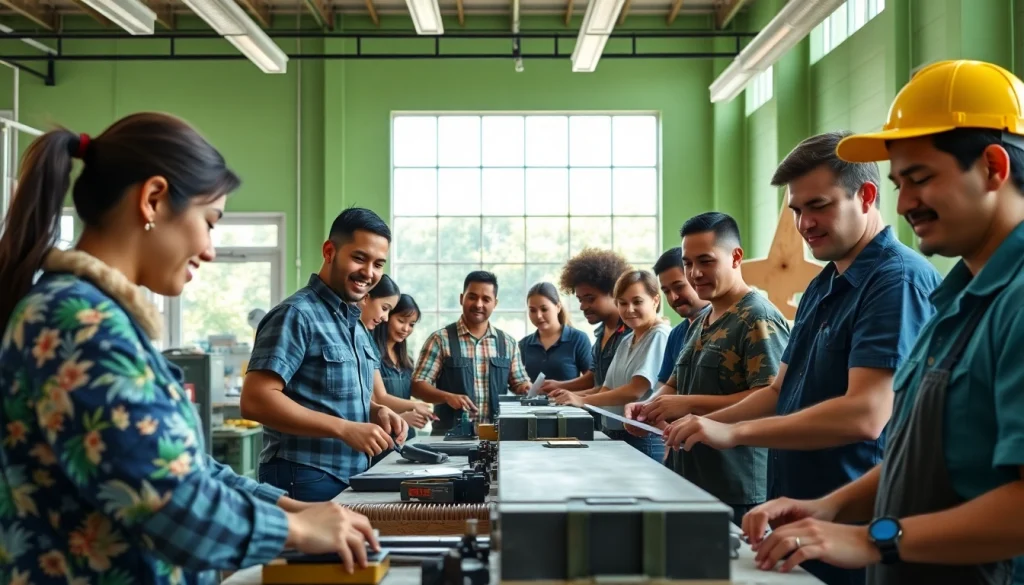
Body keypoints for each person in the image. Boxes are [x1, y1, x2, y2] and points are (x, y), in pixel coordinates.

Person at [0, 113, 377, 585]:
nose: (210, 248)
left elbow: (188, 469)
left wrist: (288, 505)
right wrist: (296, 528)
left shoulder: (97, 318)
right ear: (153, 199)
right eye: (210, 221)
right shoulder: (78, 323)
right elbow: (166, 502)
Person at [739, 59, 1024, 585]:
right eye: (899, 182)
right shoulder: (957, 302)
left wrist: (873, 537)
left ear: (992, 167)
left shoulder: (1011, 302)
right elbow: (916, 454)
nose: (906, 202)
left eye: (919, 179)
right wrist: (828, 506)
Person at [661, 133, 942, 585]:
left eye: (819, 206)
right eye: (796, 211)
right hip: (799, 514)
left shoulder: (897, 282)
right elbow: (778, 391)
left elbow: (866, 414)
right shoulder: (823, 283)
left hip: (855, 525)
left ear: (866, 196)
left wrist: (733, 431)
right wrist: (703, 425)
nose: (805, 223)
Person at [627, 213, 790, 521]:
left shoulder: (758, 318)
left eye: (706, 261)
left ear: (736, 257)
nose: (695, 273)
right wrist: (647, 407)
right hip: (688, 477)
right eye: (688, 263)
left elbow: (772, 399)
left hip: (736, 487)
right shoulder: (701, 319)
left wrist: (687, 405)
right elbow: (674, 384)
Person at [241, 207, 407, 502]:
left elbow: (329, 396)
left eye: (378, 264)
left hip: (347, 475)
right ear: (330, 251)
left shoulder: (354, 324)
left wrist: (375, 411)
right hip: (302, 476)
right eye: (359, 258)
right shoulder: (295, 315)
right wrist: (344, 429)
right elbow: (256, 400)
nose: (369, 273)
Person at [550, 270, 670, 461]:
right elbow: (607, 387)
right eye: (622, 303)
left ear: (655, 301)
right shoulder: (627, 339)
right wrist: (570, 397)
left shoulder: (659, 335)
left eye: (637, 301)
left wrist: (581, 400)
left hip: (642, 438)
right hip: (614, 433)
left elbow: (635, 391)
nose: (629, 309)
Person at [411, 271, 531, 433]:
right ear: (462, 298)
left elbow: (519, 383)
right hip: (449, 439)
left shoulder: (507, 343)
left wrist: (526, 388)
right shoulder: (440, 340)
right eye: (472, 297)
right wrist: (447, 397)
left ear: (495, 303)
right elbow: (418, 386)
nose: (478, 304)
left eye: (486, 299)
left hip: (497, 437)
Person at [541, 248, 632, 430]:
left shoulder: (631, 334)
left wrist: (579, 397)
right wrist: (562, 387)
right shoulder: (600, 333)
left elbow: (620, 387)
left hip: (630, 428)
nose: (583, 306)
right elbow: (596, 378)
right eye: (580, 299)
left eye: (590, 298)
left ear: (614, 292)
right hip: (606, 424)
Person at [358, 276, 434, 447]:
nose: (406, 329)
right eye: (401, 321)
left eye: (412, 324)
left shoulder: (407, 360)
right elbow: (379, 398)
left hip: (407, 437)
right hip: (382, 435)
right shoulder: (370, 350)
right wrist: (412, 408)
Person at [652, 246, 709, 385]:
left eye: (679, 287)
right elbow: (665, 386)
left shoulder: (723, 324)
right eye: (666, 291)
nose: (673, 297)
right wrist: (645, 406)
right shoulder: (676, 334)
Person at [518, 281, 593, 383]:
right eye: (533, 310)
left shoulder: (578, 339)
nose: (538, 316)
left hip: (569, 399)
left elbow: (591, 381)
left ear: (558, 307)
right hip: (532, 399)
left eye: (544, 309)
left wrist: (561, 387)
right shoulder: (523, 345)